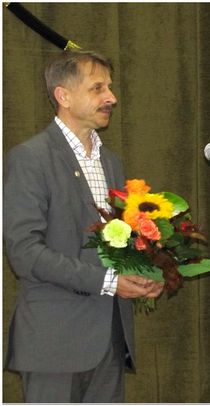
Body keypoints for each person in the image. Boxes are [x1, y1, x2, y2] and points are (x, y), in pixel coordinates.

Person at [3, 50, 164, 403]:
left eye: (109, 87)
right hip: (54, 343)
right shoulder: (30, 158)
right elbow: (25, 253)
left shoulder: (112, 163)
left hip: (110, 341)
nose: (112, 98)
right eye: (97, 88)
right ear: (63, 96)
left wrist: (146, 273)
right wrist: (108, 282)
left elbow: (116, 244)